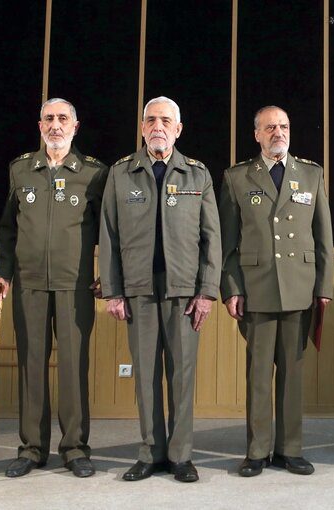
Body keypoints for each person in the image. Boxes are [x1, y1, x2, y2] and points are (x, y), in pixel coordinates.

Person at [99, 96, 221, 483]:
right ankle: (151, 452)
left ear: (178, 129)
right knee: (146, 377)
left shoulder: (197, 174)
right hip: (138, 289)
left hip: (184, 291)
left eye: (166, 121)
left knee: (182, 376)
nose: (158, 127)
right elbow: (109, 234)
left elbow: (212, 238)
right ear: (142, 127)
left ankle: (181, 456)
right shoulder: (121, 172)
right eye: (151, 120)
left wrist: (207, 292)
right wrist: (113, 291)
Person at [0, 98, 108, 479]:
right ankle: (32, 448)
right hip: (28, 284)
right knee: (31, 366)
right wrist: (3, 271)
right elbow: (7, 229)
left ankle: (74, 447)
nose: (55, 125)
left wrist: (108, 274)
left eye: (62, 119)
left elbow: (110, 230)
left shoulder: (94, 173)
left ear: (75, 127)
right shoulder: (20, 169)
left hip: (75, 286)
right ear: (39, 125)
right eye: (48, 119)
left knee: (73, 368)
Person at [219, 105, 333, 476]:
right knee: (258, 376)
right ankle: (257, 451)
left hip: (300, 288)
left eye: (283, 126)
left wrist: (323, 287)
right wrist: (231, 288)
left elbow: (323, 237)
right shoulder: (237, 177)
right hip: (257, 289)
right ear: (257, 134)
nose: (278, 133)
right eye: (269, 127)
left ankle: (290, 449)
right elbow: (227, 243)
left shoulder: (311, 174)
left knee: (292, 374)